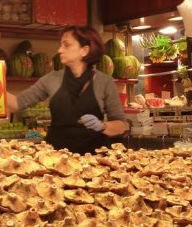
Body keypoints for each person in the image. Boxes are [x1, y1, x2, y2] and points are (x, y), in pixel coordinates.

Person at [7, 25, 126, 154]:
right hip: (57, 158)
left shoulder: (104, 82)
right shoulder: (51, 79)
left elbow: (120, 125)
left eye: (66, 45)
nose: (59, 50)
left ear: (84, 50)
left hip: (95, 159)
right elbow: (16, 104)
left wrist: (103, 126)